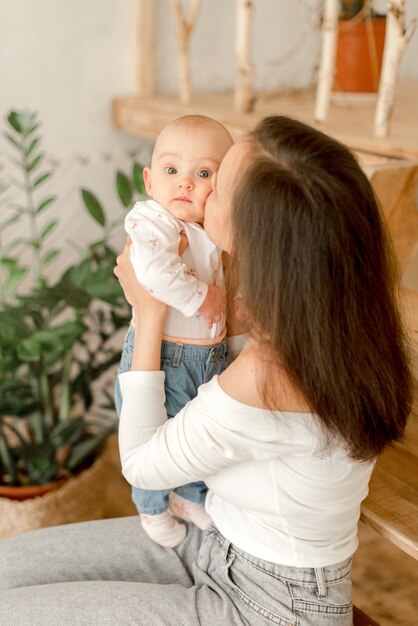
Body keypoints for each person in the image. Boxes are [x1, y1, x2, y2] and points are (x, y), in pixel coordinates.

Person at [0, 116, 412, 626]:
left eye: (214, 184)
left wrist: (148, 314)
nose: (195, 192)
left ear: (252, 237)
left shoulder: (268, 375)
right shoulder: (334, 317)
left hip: (271, 602)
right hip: (216, 536)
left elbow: (142, 465)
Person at [114, 115, 234, 547]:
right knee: (152, 432)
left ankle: (188, 496)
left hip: (206, 356)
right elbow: (151, 273)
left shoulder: (208, 230)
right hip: (163, 353)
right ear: (149, 181)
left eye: (203, 173)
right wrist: (203, 296)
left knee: (193, 432)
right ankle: (151, 509)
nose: (185, 183)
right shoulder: (153, 221)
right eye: (171, 170)